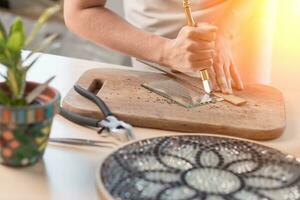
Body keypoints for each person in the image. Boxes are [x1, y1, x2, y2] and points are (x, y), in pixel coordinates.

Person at [64, 0, 265, 94]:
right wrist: (165, 51)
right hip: (153, 46)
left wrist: (225, 31)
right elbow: (79, 12)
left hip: (238, 39)